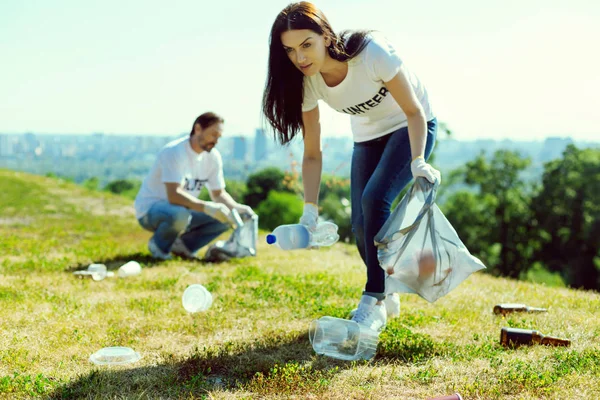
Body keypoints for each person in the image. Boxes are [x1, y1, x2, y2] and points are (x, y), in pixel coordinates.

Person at [262, 2, 441, 331]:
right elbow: (313, 153)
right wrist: (309, 210)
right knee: (361, 225)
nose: (300, 58)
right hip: (368, 137)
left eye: (306, 45)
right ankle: (387, 289)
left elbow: (414, 112)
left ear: (325, 36)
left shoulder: (372, 53)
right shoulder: (307, 83)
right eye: (289, 50)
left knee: (375, 200)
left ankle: (373, 299)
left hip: (411, 127)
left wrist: (418, 160)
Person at [134, 112, 255, 260]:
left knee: (226, 216)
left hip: (184, 211)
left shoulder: (213, 157)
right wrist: (207, 207)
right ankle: (159, 246)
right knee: (179, 214)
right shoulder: (174, 152)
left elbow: (218, 194)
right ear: (198, 129)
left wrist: (235, 208)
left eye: (219, 137)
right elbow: (173, 195)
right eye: (213, 135)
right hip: (151, 211)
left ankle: (183, 246)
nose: (216, 141)